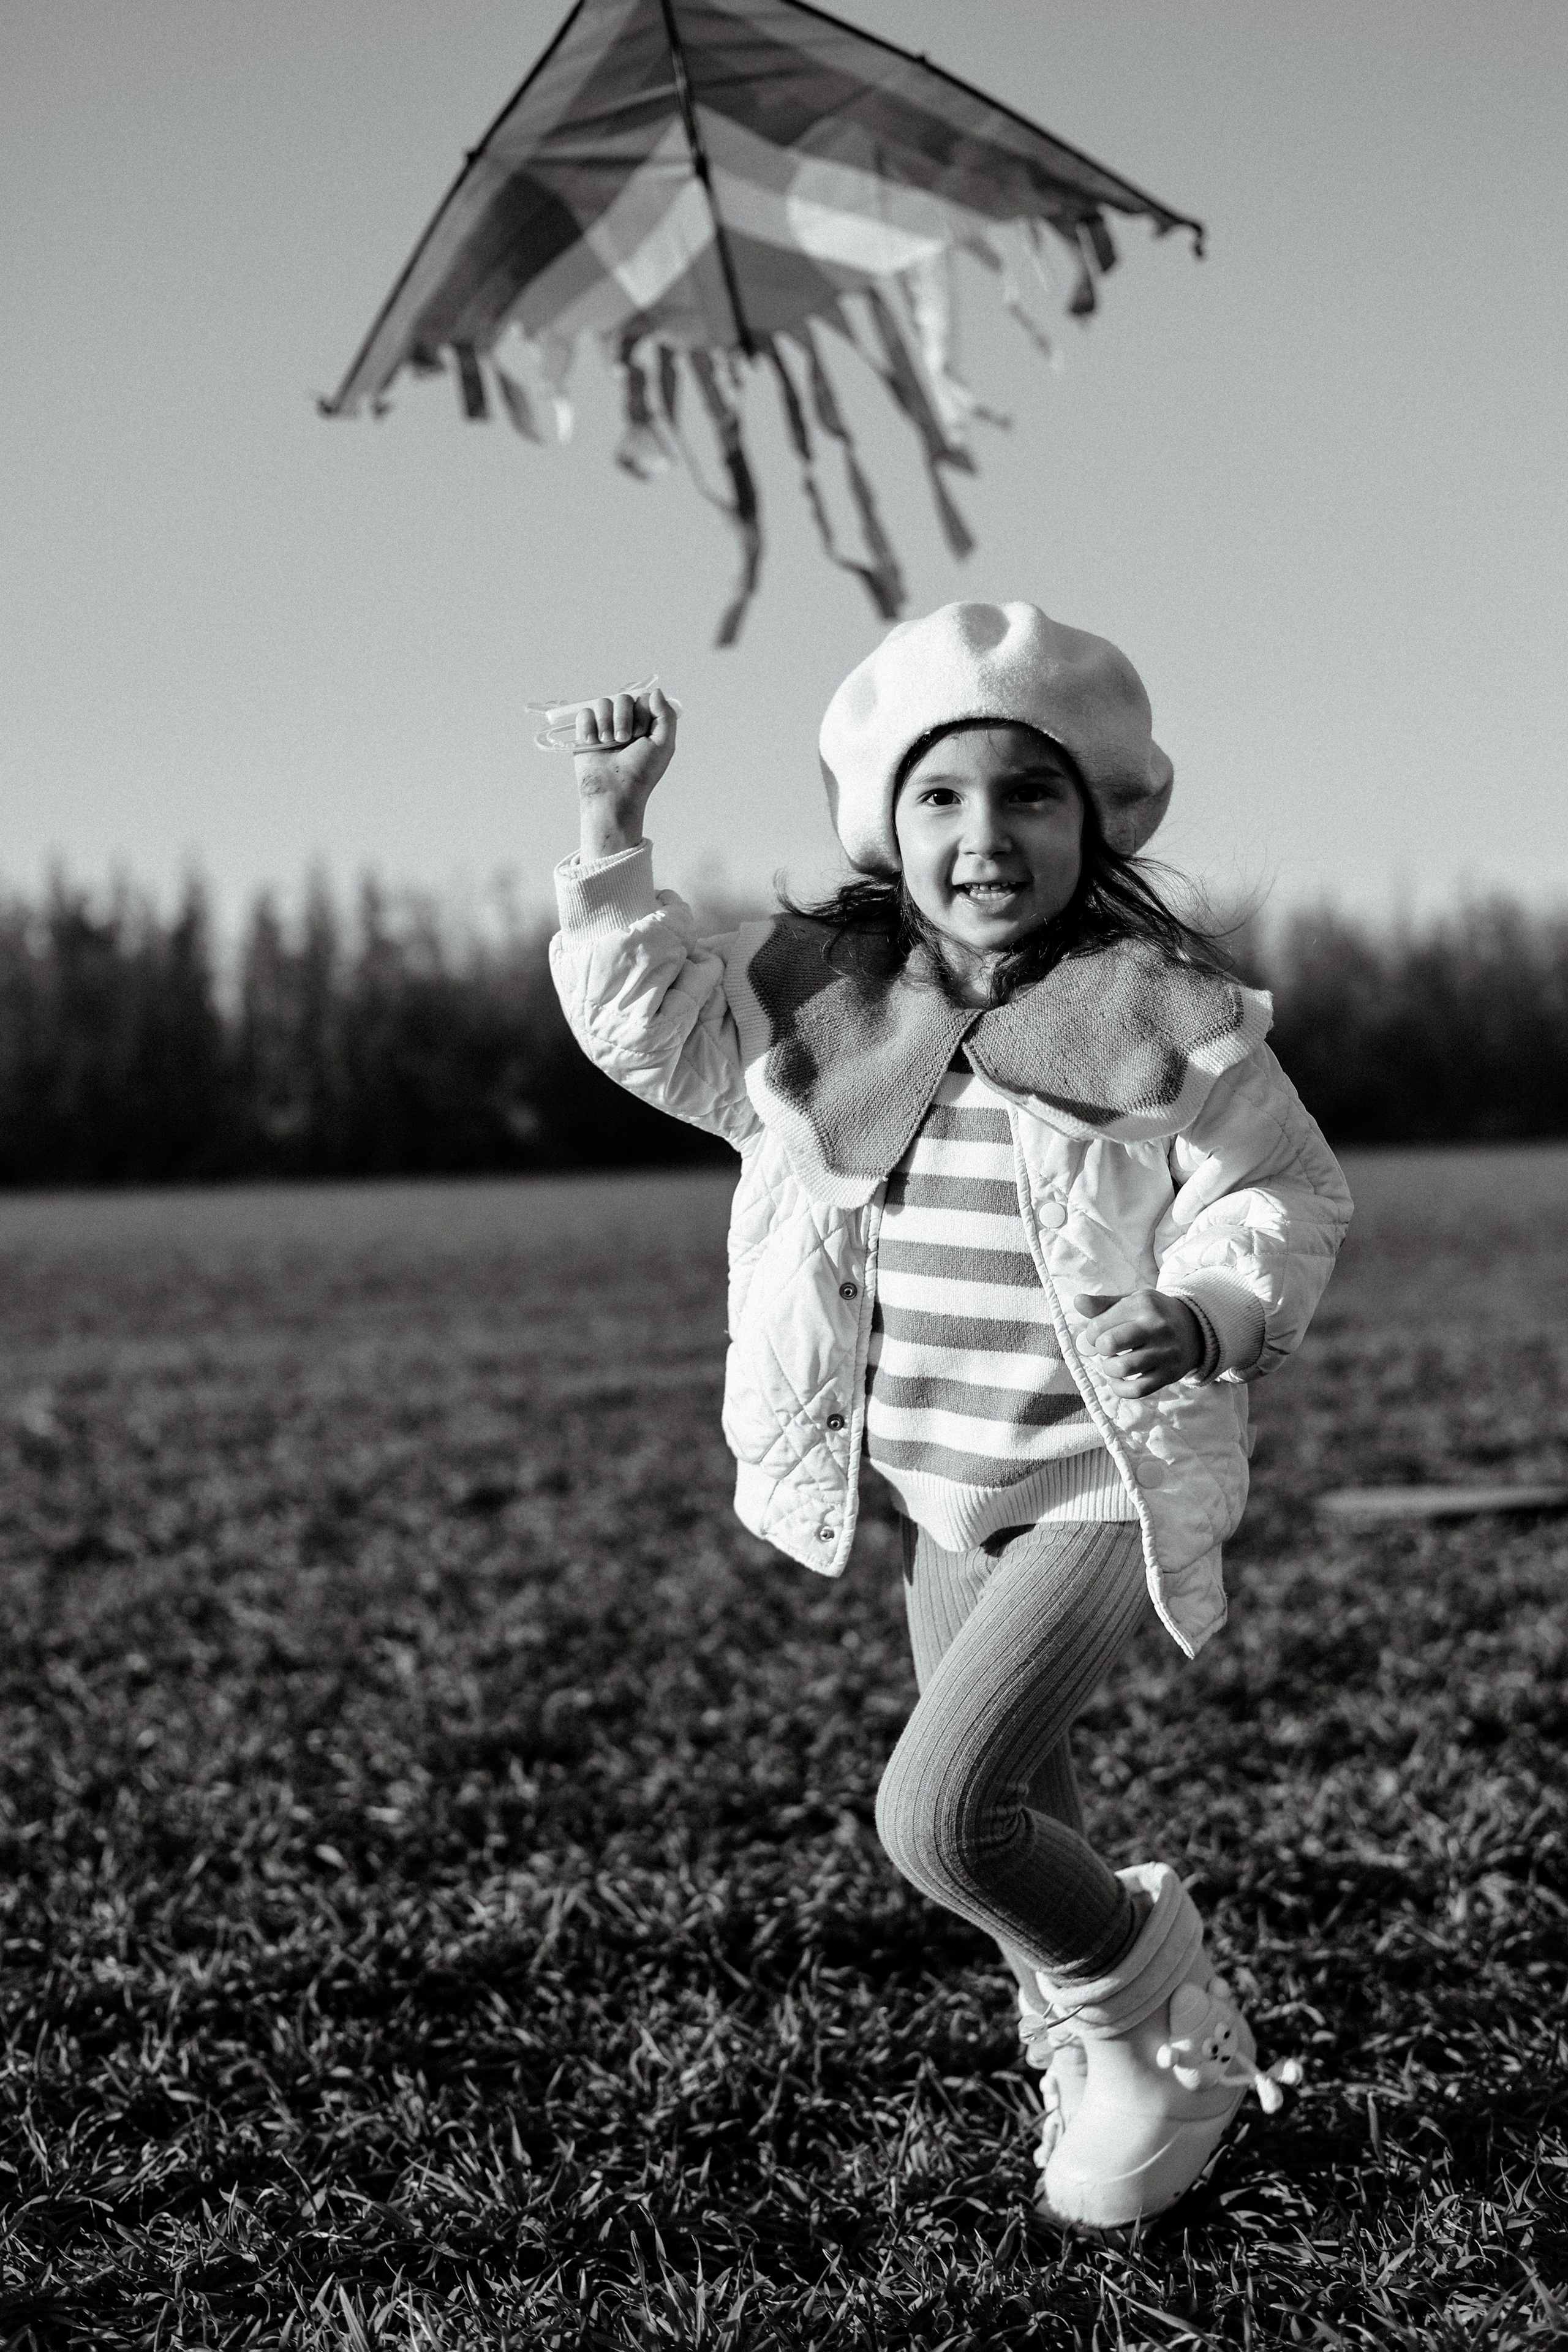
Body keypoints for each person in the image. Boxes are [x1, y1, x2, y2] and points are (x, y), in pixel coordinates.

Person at [548, 601, 1351, 2228]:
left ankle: (1156, 1999)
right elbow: (656, 1031)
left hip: (1098, 1482)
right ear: (885, 822)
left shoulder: (1159, 1010)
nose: (985, 835)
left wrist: (1210, 1311)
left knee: (945, 1818)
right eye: (942, 798)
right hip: (936, 1492)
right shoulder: (829, 1009)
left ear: (1099, 816)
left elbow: (1277, 1188)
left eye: (1028, 796)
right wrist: (611, 837)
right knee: (1025, 1812)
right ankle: (1103, 2052)